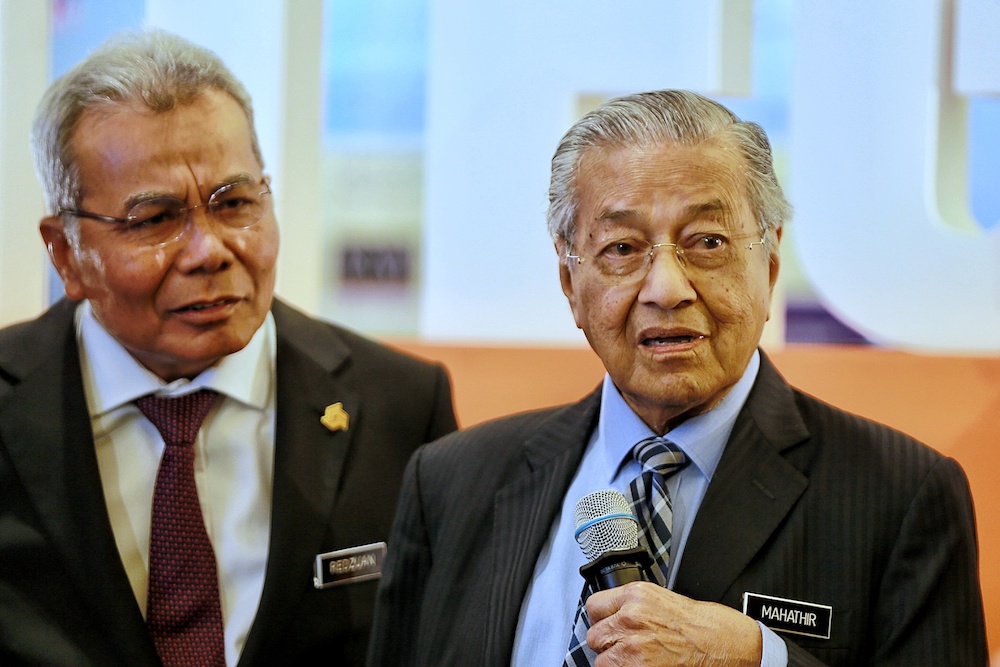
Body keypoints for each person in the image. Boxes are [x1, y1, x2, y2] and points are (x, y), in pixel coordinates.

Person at [368, 89, 988, 666]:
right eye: (621, 248)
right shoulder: (450, 483)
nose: (667, 289)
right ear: (569, 282)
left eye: (708, 242)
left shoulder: (900, 495)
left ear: (769, 265)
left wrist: (757, 659)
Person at [0, 30, 457, 667]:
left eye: (235, 203)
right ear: (66, 253)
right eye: (155, 219)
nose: (209, 250)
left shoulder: (402, 407)